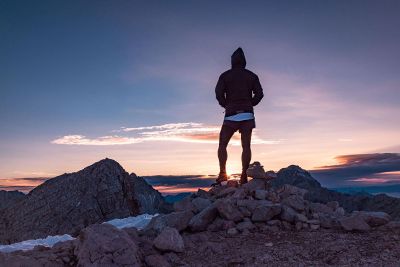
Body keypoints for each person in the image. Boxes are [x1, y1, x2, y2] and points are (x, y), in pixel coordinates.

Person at [214, 47, 264, 185]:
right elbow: (259, 94)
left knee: (222, 144)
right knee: (246, 146)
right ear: (244, 61)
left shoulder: (225, 76)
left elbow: (218, 93)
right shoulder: (252, 76)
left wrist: (226, 105)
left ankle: (223, 174)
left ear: (232, 61)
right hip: (247, 114)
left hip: (231, 114)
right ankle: (243, 176)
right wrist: (250, 104)